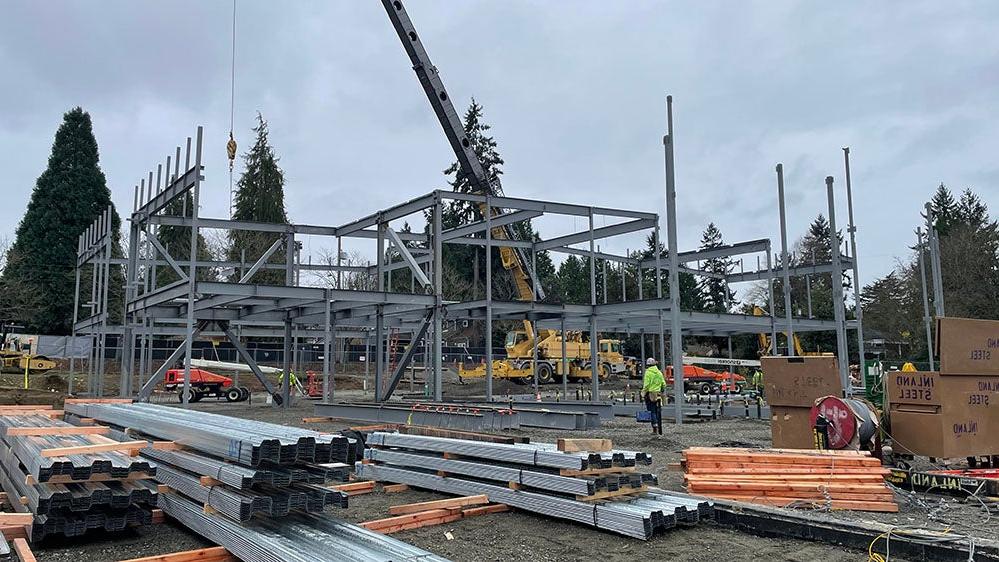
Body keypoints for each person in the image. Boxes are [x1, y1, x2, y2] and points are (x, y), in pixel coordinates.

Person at [641, 357, 665, 435]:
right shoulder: (659, 372)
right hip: (658, 394)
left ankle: (655, 428)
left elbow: (646, 385)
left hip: (650, 394)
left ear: (648, 365)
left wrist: (643, 393)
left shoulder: (648, 372)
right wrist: (661, 390)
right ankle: (659, 426)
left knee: (652, 411)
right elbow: (663, 384)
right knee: (658, 410)